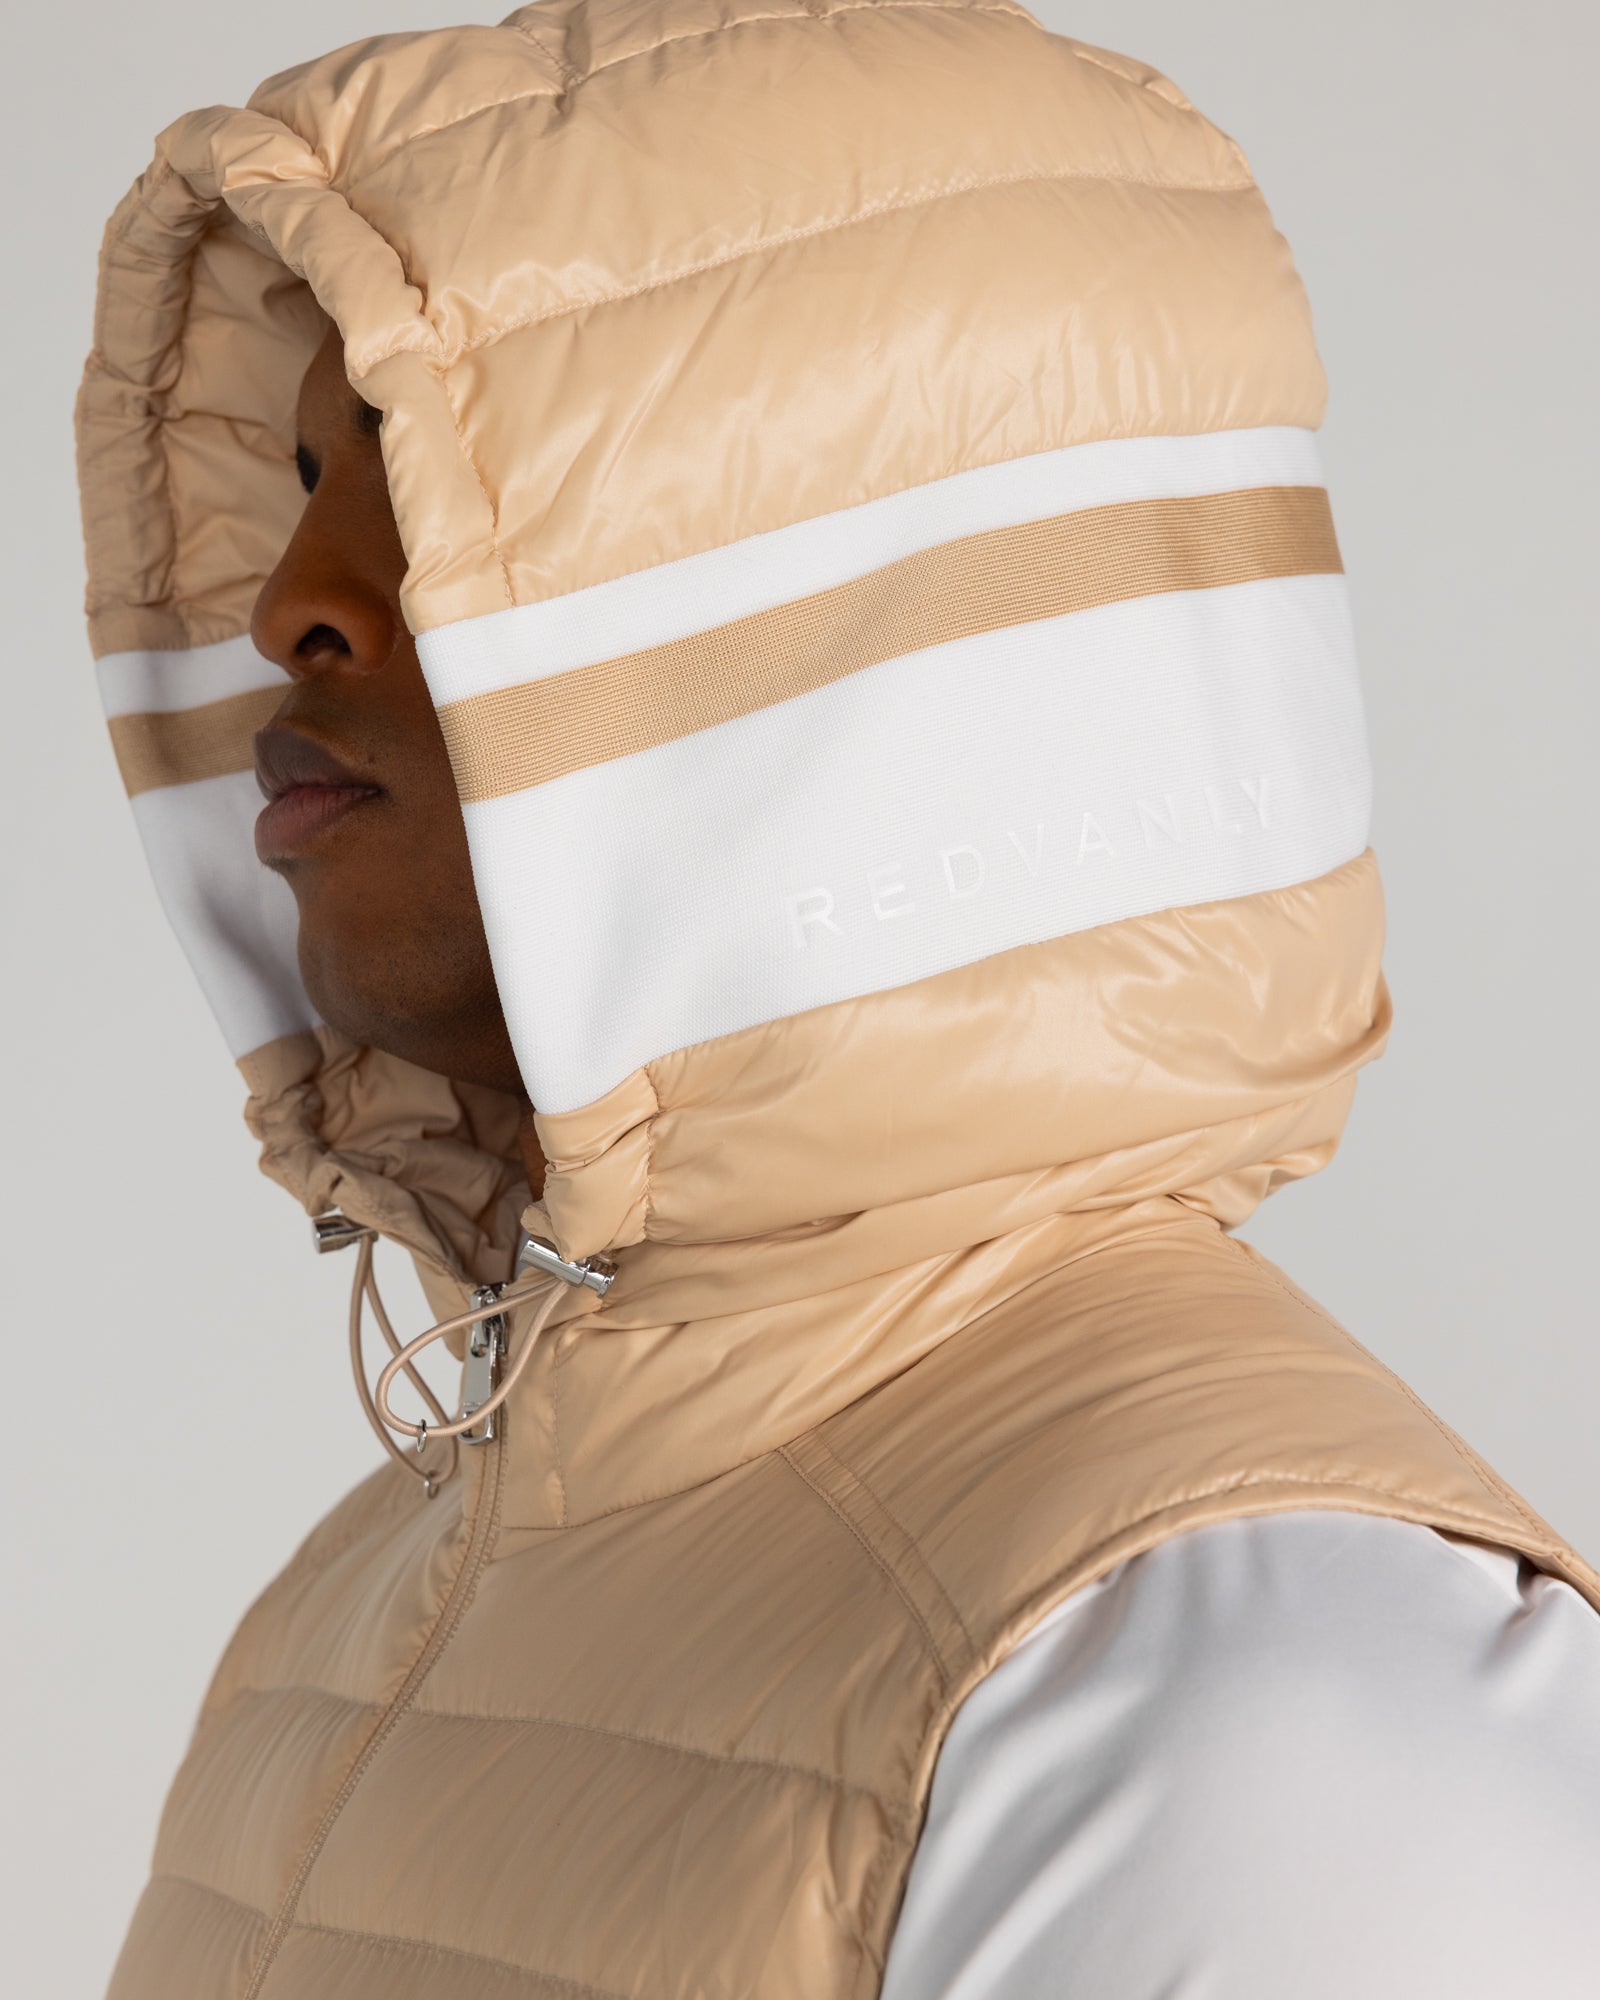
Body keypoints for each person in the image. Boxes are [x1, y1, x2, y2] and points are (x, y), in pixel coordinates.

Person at [77, 3, 1600, 1996]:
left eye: (431, 478)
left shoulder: (1263, 1730)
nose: (293, 598)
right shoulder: (367, 1607)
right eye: (299, 474)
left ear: (852, 622)